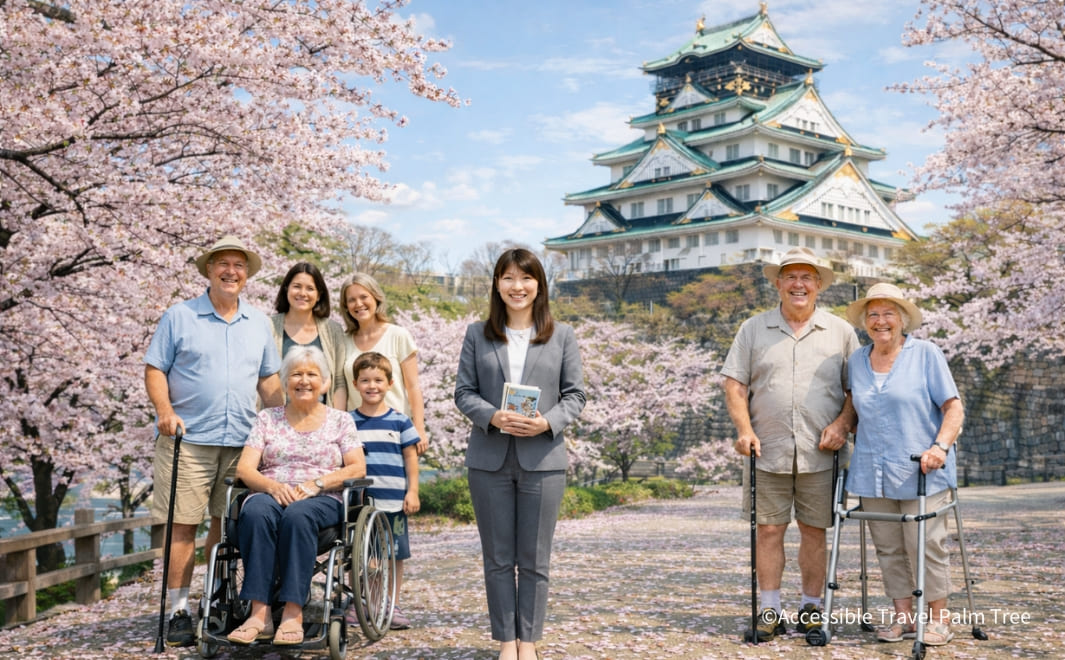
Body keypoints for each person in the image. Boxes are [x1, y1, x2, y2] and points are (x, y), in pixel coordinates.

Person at [145, 235, 284, 647]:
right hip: (187, 441)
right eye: (222, 264)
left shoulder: (259, 322)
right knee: (182, 526)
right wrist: (165, 412)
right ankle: (179, 610)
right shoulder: (180, 316)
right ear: (208, 269)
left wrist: (282, 424)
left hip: (242, 444)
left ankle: (219, 599)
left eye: (238, 266)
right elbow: (155, 369)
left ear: (247, 275)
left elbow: (269, 379)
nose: (230, 271)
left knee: (228, 530)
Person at [721, 246, 860, 641]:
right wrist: (744, 430)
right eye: (790, 276)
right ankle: (769, 609)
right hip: (767, 449)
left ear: (818, 285)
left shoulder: (841, 332)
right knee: (768, 530)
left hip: (824, 452)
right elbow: (734, 383)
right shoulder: (753, 329)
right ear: (778, 284)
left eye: (807, 277)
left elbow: (855, 389)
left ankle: (812, 608)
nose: (799, 284)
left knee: (815, 531)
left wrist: (842, 423)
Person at [454, 248, 586, 660]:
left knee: (534, 557)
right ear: (496, 284)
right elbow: (463, 392)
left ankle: (527, 642)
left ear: (539, 285)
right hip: (489, 459)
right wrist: (492, 416)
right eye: (508, 278)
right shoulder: (478, 334)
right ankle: (505, 642)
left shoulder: (561, 334)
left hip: (543, 459)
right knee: (497, 557)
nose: (517, 286)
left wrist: (546, 422)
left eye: (526, 278)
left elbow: (575, 395)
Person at [843, 282, 963, 647]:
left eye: (889, 313)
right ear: (865, 322)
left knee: (925, 545)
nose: (881, 321)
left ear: (903, 319)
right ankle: (904, 618)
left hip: (921, 469)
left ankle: (939, 618)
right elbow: (853, 410)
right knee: (888, 548)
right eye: (873, 315)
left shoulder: (925, 353)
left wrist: (940, 446)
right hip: (871, 471)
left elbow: (953, 407)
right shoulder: (857, 361)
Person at [225, 345, 366, 646]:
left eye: (312, 374)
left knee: (298, 515)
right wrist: (271, 486)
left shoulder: (341, 420)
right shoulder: (267, 419)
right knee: (256, 512)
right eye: (296, 374)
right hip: (271, 491)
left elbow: (357, 466)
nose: (304, 380)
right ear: (285, 381)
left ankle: (292, 612)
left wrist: (318, 483)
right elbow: (246, 469)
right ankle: (259, 614)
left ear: (325, 382)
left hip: (321, 497)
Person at [348, 351, 421, 630]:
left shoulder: (400, 421)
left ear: (390, 383)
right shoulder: (348, 422)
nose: (372, 386)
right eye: (365, 380)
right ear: (355, 384)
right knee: (360, 555)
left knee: (394, 555)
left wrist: (412, 491)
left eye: (378, 380)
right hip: (359, 504)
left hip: (394, 501)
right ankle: (361, 603)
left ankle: (391, 603)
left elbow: (410, 458)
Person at [339, 272, 429, 455]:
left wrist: (419, 427)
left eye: (364, 297)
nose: (359, 304)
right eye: (352, 300)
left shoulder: (398, 335)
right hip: (356, 433)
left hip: (395, 431)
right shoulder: (342, 341)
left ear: (376, 298)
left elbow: (413, 387)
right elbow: (340, 388)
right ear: (346, 306)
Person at [270, 262, 348, 408]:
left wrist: (337, 421)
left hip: (323, 421)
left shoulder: (333, 330)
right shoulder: (269, 326)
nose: (302, 293)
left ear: (319, 295)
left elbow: (339, 381)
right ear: (286, 289)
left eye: (310, 289)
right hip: (278, 421)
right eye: (297, 286)